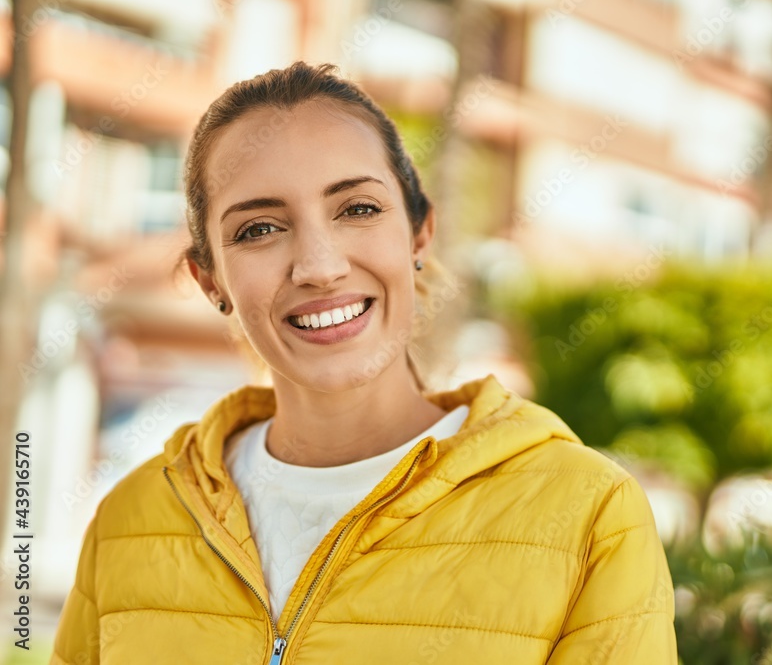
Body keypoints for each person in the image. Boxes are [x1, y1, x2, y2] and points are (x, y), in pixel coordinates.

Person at [50, 61, 677, 664]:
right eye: (259, 229)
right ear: (209, 278)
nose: (319, 267)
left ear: (420, 235)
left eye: (358, 209)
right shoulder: (129, 521)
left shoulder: (591, 513)